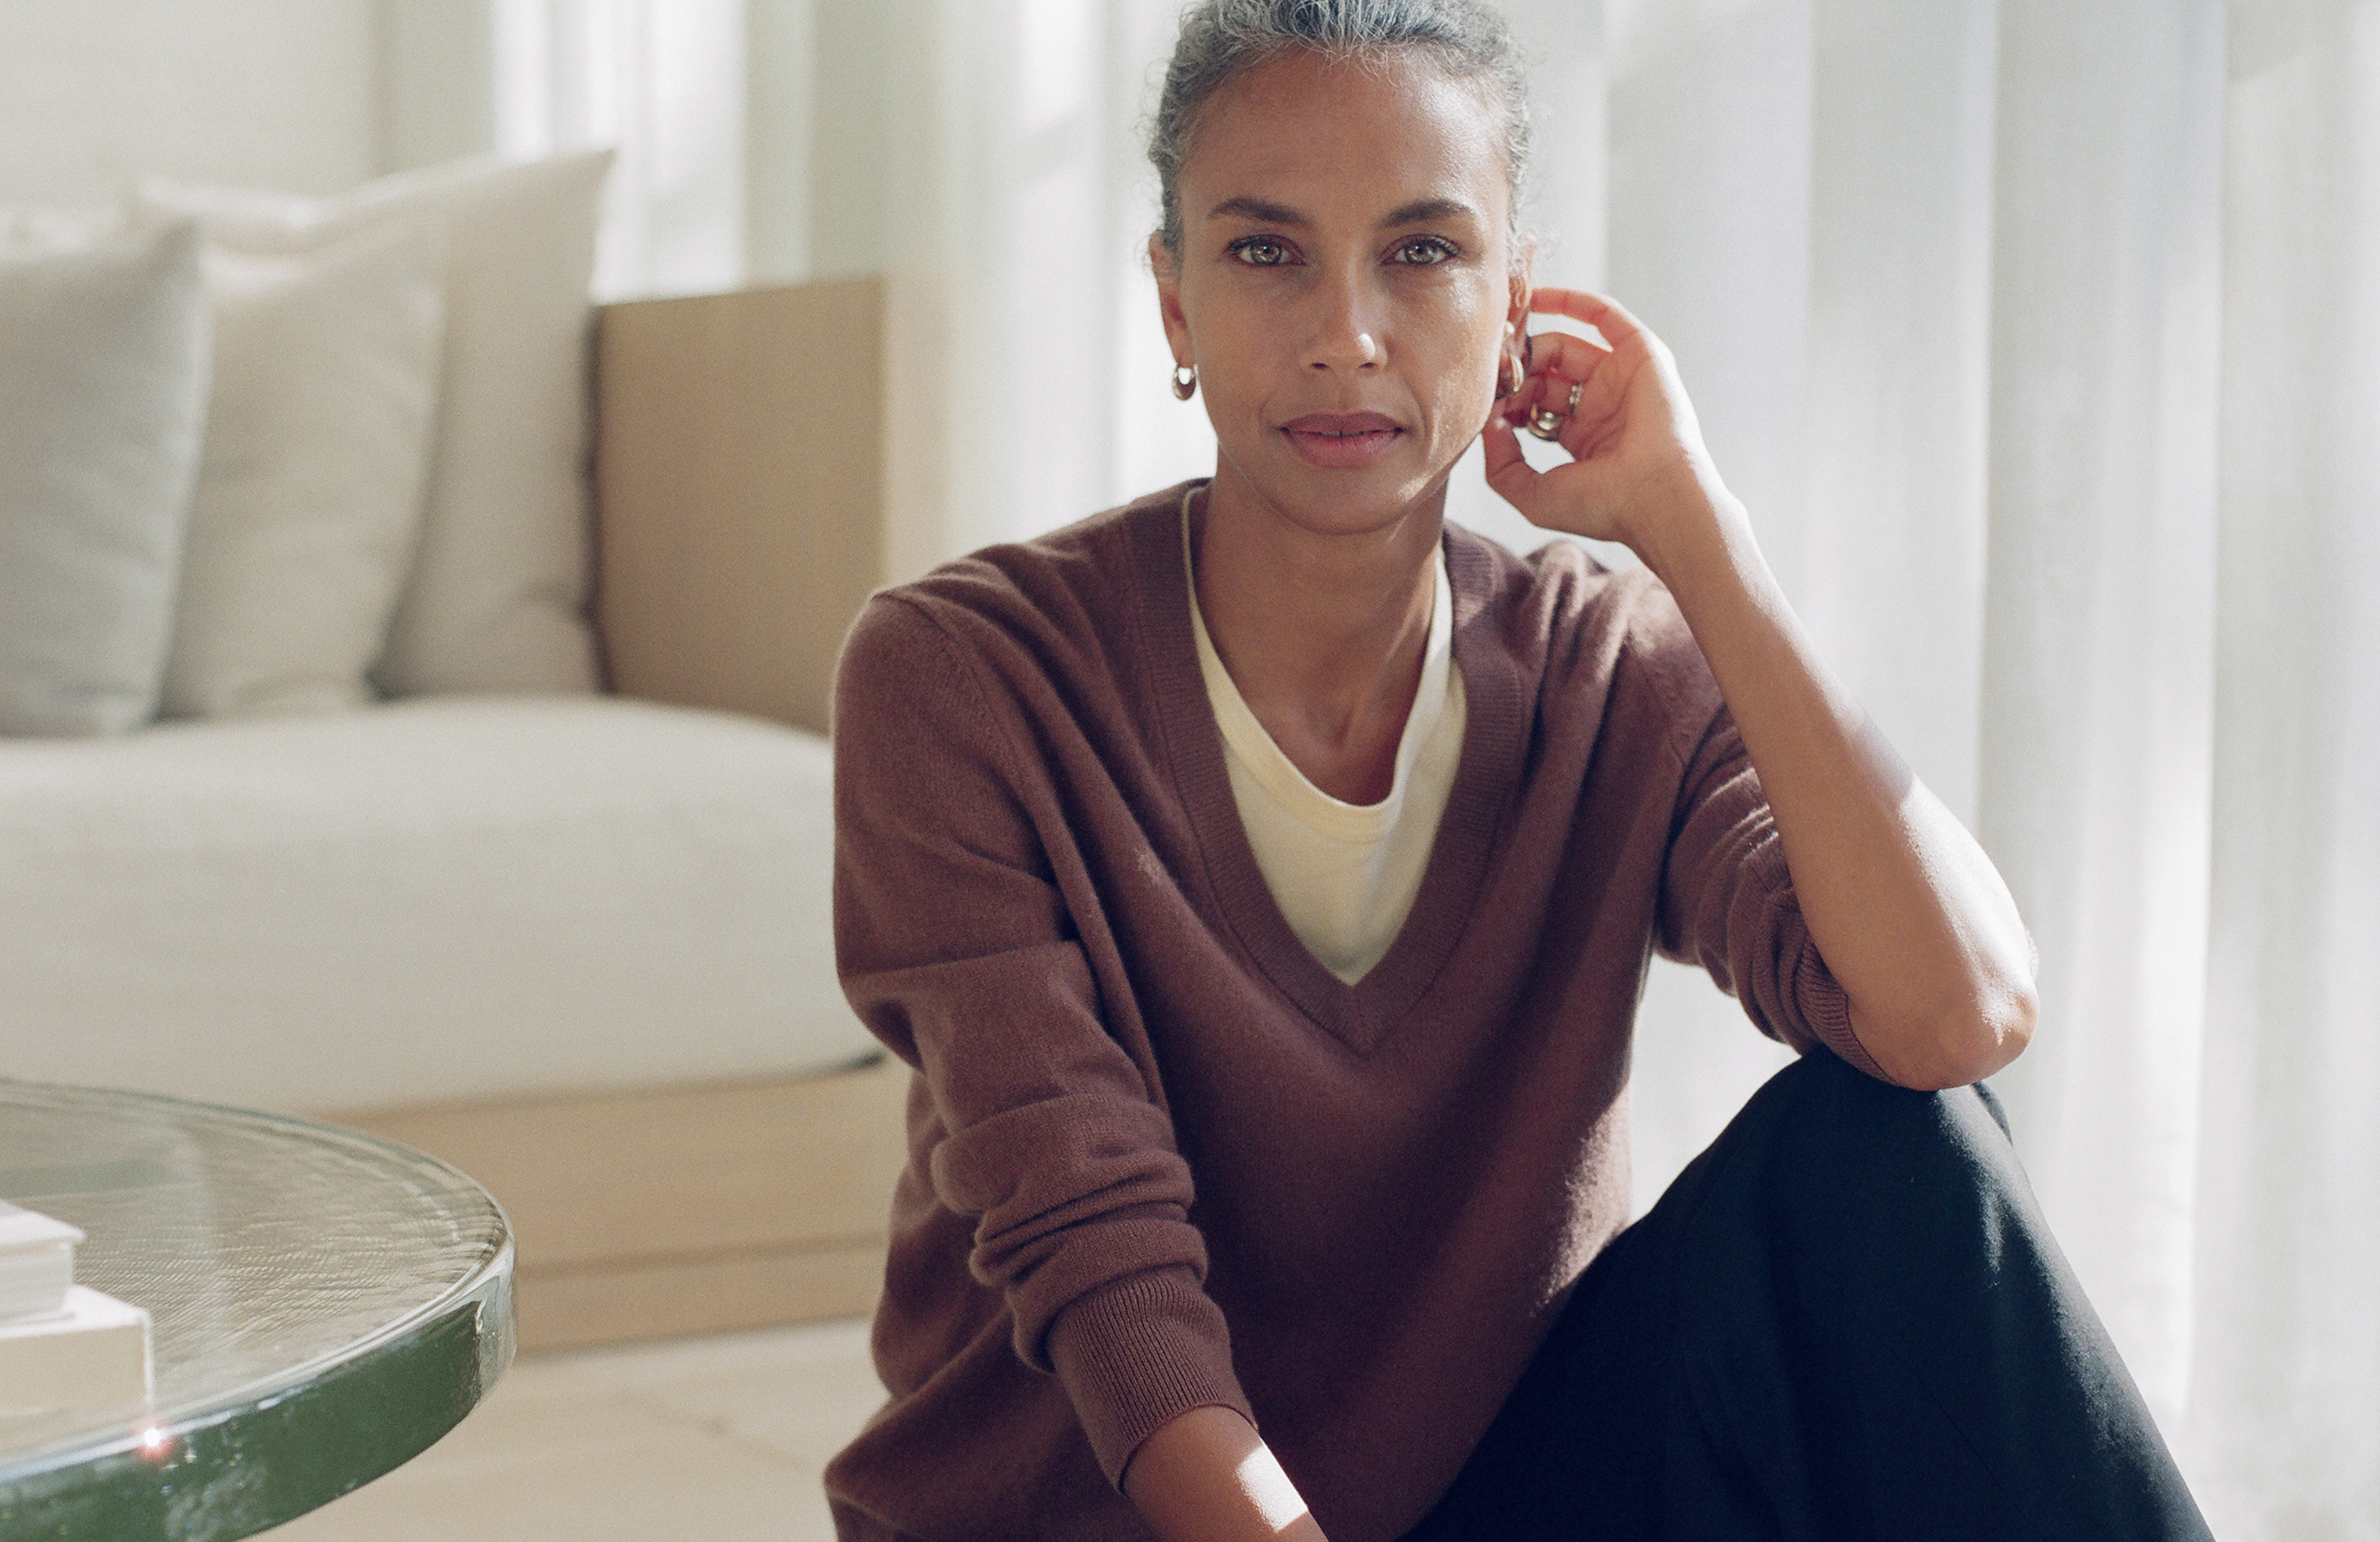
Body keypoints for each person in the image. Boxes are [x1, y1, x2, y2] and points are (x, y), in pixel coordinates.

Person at [824, 2, 2213, 1538]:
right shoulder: (967, 677)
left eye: (1423, 251)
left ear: (1515, 308)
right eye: (1267, 251)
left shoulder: (1603, 669)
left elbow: (1956, 1011)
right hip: (1109, 1519)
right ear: (1174, 305)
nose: (1346, 333)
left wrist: (1698, 528)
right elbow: (1103, 1271)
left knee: (1896, 1154)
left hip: (1497, 1495)